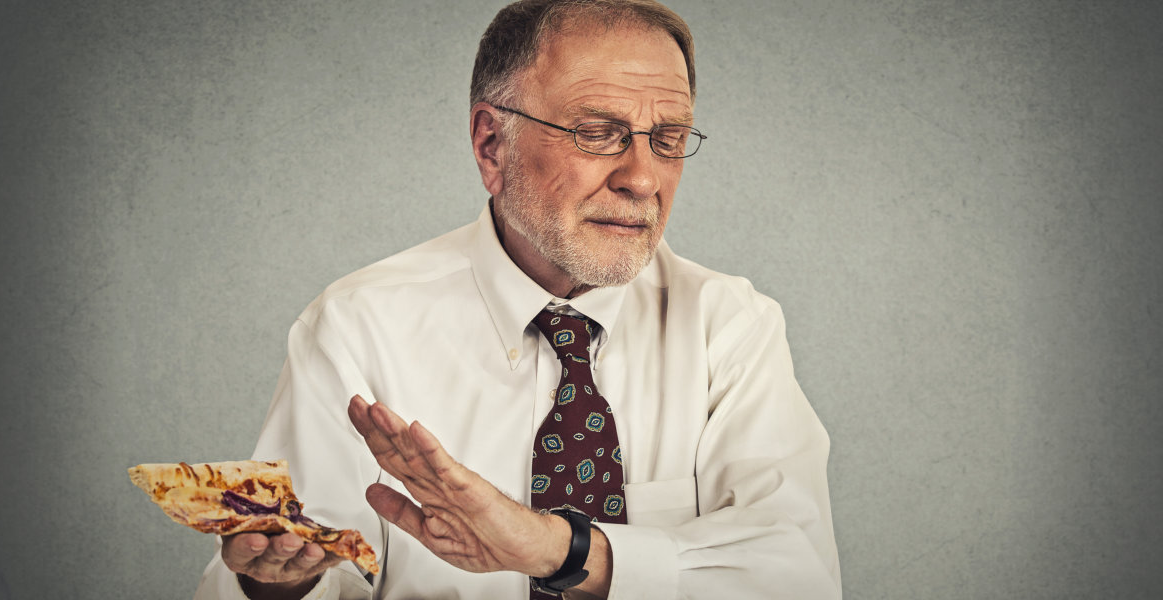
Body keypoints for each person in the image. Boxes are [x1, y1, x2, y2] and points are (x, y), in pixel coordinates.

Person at [193, 1, 839, 598]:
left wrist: (553, 549)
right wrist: (278, 585)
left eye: (668, 139)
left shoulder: (730, 324)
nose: (643, 178)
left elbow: (796, 576)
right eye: (598, 132)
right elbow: (305, 565)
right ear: (490, 144)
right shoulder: (358, 325)